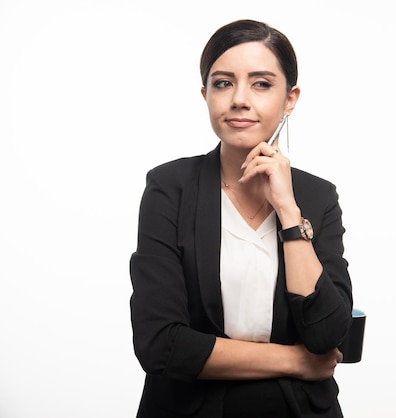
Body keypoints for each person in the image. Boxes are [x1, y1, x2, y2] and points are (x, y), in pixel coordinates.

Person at [129, 19, 353, 418]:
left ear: (290, 98)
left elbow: (327, 336)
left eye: (262, 83)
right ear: (205, 95)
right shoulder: (169, 188)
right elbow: (161, 344)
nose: (239, 99)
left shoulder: (317, 197)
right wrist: (295, 362)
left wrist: (288, 212)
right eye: (223, 83)